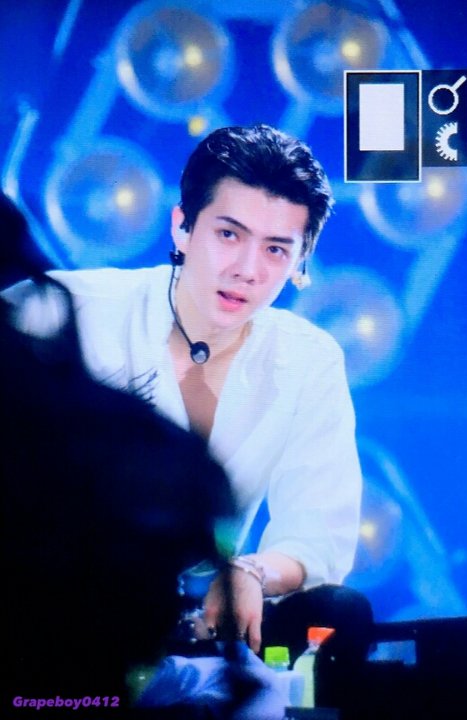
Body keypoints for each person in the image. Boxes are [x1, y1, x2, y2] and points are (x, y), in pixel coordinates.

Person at [4, 126, 372, 702]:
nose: (247, 269)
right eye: (229, 234)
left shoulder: (309, 359)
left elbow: (317, 535)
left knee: (341, 615)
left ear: (301, 261)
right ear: (182, 226)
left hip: (198, 639)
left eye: (276, 249)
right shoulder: (59, 312)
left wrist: (251, 573)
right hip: (45, 620)